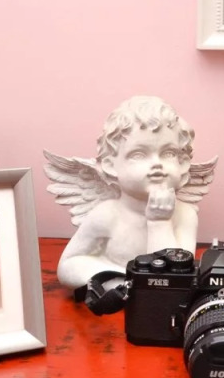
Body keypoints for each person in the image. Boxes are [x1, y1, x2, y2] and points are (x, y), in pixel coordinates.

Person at [49, 97, 211, 289]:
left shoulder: (184, 215)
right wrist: (120, 282)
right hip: (119, 285)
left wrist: (160, 222)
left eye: (168, 153)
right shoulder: (106, 214)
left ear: (183, 163)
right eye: (138, 154)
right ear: (110, 166)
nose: (156, 163)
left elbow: (172, 280)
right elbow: (68, 266)